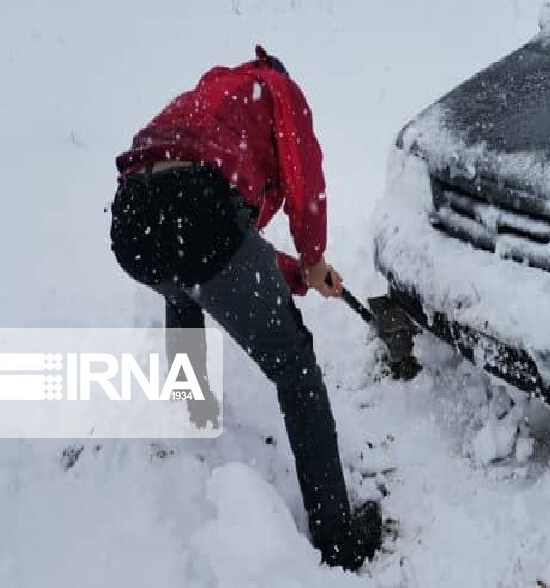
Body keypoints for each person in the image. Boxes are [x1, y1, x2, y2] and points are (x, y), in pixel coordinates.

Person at [109, 45, 382, 571]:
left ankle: (192, 407)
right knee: (296, 369)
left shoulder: (214, 102)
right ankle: (337, 539)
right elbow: (306, 183)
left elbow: (230, 259)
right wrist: (312, 255)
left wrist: (298, 276)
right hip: (196, 209)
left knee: (182, 285)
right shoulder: (278, 91)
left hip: (132, 219)